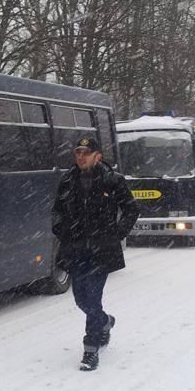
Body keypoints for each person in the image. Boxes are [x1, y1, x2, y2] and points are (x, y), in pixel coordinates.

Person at [52, 136, 140, 371]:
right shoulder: (68, 180)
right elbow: (57, 211)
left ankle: (90, 350)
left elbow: (131, 209)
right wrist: (61, 230)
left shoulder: (113, 181)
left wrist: (117, 234)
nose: (81, 156)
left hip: (102, 251)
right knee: (81, 299)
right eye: (78, 152)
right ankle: (104, 322)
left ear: (97, 156)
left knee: (93, 297)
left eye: (86, 152)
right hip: (74, 249)